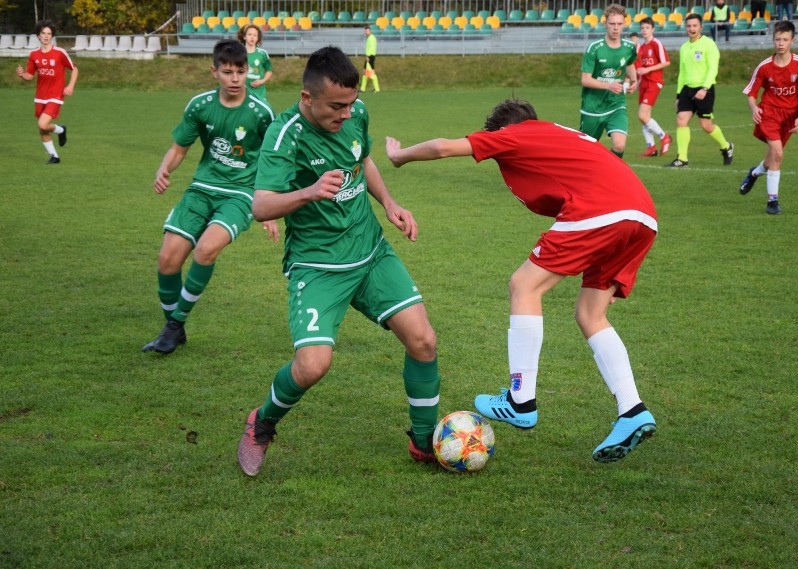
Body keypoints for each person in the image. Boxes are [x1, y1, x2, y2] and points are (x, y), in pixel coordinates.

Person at [386, 99, 658, 463]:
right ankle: (632, 411)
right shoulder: (557, 134)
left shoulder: (513, 136)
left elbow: (442, 147)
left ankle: (520, 398)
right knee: (591, 315)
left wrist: (399, 155)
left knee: (524, 285)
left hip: (600, 210)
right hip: (641, 215)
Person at [237, 47, 441, 477]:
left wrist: (388, 202)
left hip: (370, 252)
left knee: (422, 340)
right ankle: (262, 423)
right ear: (307, 98)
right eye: (336, 106)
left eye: (350, 104)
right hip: (317, 265)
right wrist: (308, 192)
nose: (347, 114)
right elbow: (260, 206)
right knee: (313, 365)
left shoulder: (355, 112)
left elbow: (361, 158)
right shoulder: (284, 135)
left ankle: (424, 442)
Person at [142, 39, 277, 354]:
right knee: (167, 260)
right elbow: (179, 147)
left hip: (240, 194)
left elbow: (273, 162)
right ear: (214, 71)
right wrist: (165, 169)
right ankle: (174, 329)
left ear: (247, 71)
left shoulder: (261, 113)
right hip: (202, 188)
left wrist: (269, 209)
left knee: (205, 250)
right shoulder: (200, 105)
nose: (234, 79)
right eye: (227, 71)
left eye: (240, 72)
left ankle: (173, 326)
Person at [740, 21, 798, 215]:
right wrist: (754, 107)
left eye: (785, 39)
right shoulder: (764, 67)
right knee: (778, 154)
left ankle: (754, 173)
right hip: (769, 114)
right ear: (773, 40)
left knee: (772, 157)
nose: (781, 43)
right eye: (778, 39)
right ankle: (773, 201)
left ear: (792, 41)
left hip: (789, 116)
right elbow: (751, 93)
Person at [667, 13, 735, 168]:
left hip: (705, 89)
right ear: (686, 27)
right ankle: (682, 158)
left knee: (706, 125)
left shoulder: (709, 44)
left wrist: (705, 88)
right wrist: (678, 95)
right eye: (689, 26)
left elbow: (713, 69)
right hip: (687, 89)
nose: (691, 29)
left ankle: (726, 146)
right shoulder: (684, 47)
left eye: (695, 25)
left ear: (701, 27)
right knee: (681, 120)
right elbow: (682, 72)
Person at [579, 4, 637, 158]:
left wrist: (634, 79)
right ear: (605, 23)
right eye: (612, 24)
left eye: (619, 24)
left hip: (616, 105)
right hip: (592, 108)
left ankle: (612, 176)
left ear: (624, 24)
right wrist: (608, 85)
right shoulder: (594, 48)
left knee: (619, 144)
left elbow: (630, 63)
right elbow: (585, 80)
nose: (616, 28)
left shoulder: (629, 47)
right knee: (585, 152)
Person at [16, 20, 77, 164]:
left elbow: (74, 68)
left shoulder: (59, 53)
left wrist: (70, 86)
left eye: (49, 34)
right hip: (40, 96)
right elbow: (29, 76)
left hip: (55, 95)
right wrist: (21, 74)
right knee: (42, 129)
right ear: (38, 35)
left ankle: (60, 130)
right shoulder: (34, 55)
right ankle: (54, 156)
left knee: (42, 124)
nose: (46, 36)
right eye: (43, 33)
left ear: (52, 36)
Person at [635, 18, 673, 158]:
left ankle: (664, 136)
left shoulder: (656, 44)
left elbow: (666, 62)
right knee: (644, 117)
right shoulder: (641, 47)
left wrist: (648, 70)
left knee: (642, 115)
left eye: (647, 27)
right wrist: (638, 82)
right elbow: (639, 67)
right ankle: (651, 147)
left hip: (654, 82)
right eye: (643, 28)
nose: (644, 30)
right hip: (644, 83)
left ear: (653, 29)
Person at [237, 24, 273, 102]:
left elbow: (269, 70)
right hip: (242, 92)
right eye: (249, 34)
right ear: (244, 37)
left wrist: (262, 81)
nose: (252, 37)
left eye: (255, 35)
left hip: (259, 92)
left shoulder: (262, 53)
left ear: (257, 38)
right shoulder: (238, 53)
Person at [359, 25, 381, 93]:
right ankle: (362, 89)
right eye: (365, 31)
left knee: (371, 74)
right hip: (368, 56)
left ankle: (377, 89)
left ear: (370, 31)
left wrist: (368, 56)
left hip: (370, 56)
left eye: (367, 31)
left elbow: (371, 48)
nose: (366, 32)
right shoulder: (369, 38)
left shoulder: (371, 38)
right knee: (365, 73)